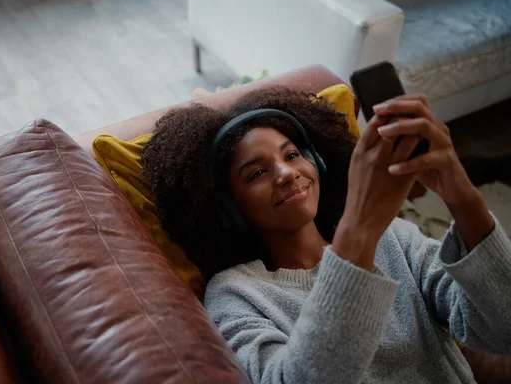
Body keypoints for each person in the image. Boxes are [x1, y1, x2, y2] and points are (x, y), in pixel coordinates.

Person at [141, 86, 511, 383]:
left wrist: (461, 196)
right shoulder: (236, 293)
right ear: (227, 208)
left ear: (317, 162)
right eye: (256, 173)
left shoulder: (393, 238)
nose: (286, 174)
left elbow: (501, 329)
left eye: (291, 155)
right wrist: (359, 230)